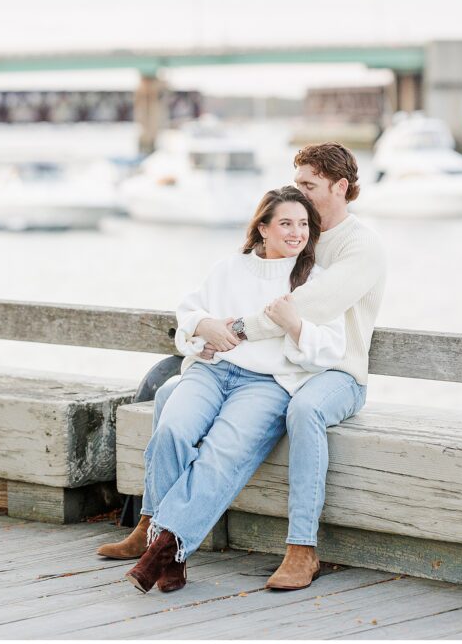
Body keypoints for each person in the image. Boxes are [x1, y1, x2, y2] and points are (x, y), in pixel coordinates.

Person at [100, 142, 386, 592]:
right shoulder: (257, 255)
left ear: (340, 187)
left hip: (333, 369)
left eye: (309, 189)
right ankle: (151, 524)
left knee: (303, 412)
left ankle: (301, 547)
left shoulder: (358, 247)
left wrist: (231, 330)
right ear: (266, 227)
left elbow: (304, 307)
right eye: (294, 198)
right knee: (171, 399)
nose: (301, 201)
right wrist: (205, 329)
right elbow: (210, 303)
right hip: (254, 364)